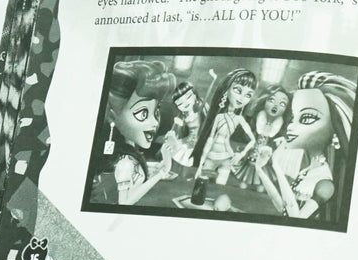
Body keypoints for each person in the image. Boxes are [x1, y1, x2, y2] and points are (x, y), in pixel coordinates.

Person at [88, 59, 176, 206]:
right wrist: (161, 173)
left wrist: (163, 162)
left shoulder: (127, 154)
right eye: (143, 114)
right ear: (113, 116)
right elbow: (124, 203)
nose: (155, 122)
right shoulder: (125, 163)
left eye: (156, 111)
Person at [270, 72, 356, 222]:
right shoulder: (309, 169)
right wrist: (260, 168)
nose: (290, 126)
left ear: (336, 132)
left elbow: (295, 219)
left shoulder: (325, 184)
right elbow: (282, 206)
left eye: (307, 118)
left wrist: (276, 167)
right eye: (293, 117)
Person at [189, 67, 256, 205]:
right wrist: (201, 162)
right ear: (226, 90)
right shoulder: (219, 117)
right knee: (200, 187)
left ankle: (218, 206)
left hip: (226, 157)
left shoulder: (239, 119)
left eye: (248, 95)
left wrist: (241, 154)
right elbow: (210, 138)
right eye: (238, 90)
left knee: (219, 189)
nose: (242, 98)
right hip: (211, 156)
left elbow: (252, 140)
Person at [162, 81, 206, 182]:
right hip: (186, 142)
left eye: (188, 97)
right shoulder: (182, 117)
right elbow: (176, 132)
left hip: (196, 145)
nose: (185, 103)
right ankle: (166, 169)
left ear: (195, 96)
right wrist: (172, 134)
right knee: (166, 147)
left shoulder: (201, 111)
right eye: (180, 103)